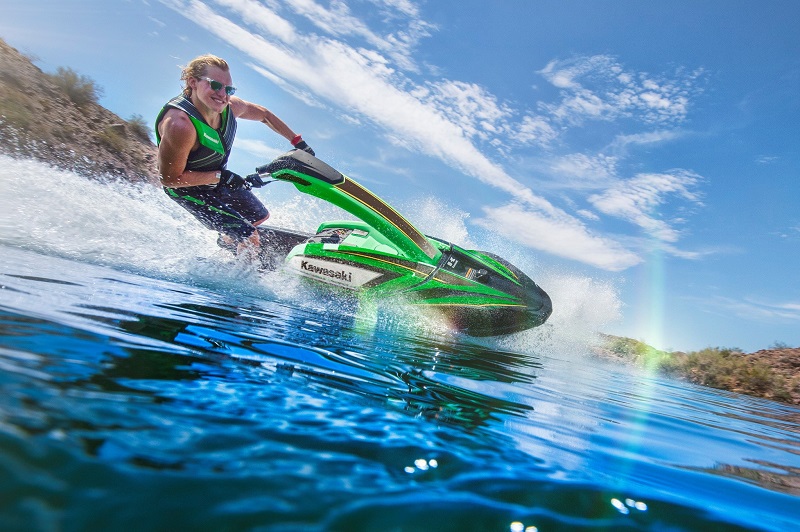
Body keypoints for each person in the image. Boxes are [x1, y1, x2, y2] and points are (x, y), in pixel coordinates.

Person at [155, 54, 314, 259]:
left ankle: (228, 241)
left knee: (259, 216)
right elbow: (169, 179)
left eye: (229, 89)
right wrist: (221, 177)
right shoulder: (180, 124)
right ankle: (243, 278)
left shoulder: (231, 107)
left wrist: (297, 142)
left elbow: (265, 115)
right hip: (186, 190)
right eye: (215, 85)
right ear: (192, 82)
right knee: (249, 236)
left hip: (216, 180)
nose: (223, 94)